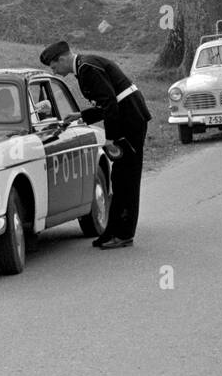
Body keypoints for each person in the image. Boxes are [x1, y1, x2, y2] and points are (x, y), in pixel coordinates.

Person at [39, 40, 152, 250]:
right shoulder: (85, 66)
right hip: (127, 118)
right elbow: (106, 104)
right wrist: (81, 115)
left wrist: (111, 138)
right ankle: (112, 231)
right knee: (118, 178)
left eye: (54, 67)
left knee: (126, 179)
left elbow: (110, 104)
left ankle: (124, 234)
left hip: (130, 122)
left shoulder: (88, 69)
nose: (55, 71)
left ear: (62, 59)